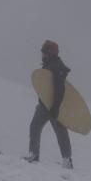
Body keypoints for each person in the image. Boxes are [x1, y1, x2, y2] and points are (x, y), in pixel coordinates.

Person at [24, 40, 73, 169]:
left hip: (55, 106)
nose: (42, 55)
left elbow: (60, 89)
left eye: (45, 52)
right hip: (44, 105)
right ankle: (34, 154)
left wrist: (56, 107)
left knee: (61, 132)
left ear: (51, 53)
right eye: (43, 52)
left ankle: (67, 160)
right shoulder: (47, 65)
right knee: (34, 127)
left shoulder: (57, 67)